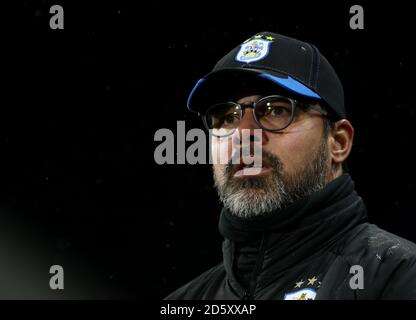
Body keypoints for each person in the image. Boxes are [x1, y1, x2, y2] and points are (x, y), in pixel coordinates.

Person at [165, 32, 416, 300]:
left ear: (338, 142)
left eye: (276, 110)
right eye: (227, 117)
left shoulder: (399, 276)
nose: (244, 133)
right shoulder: (184, 300)